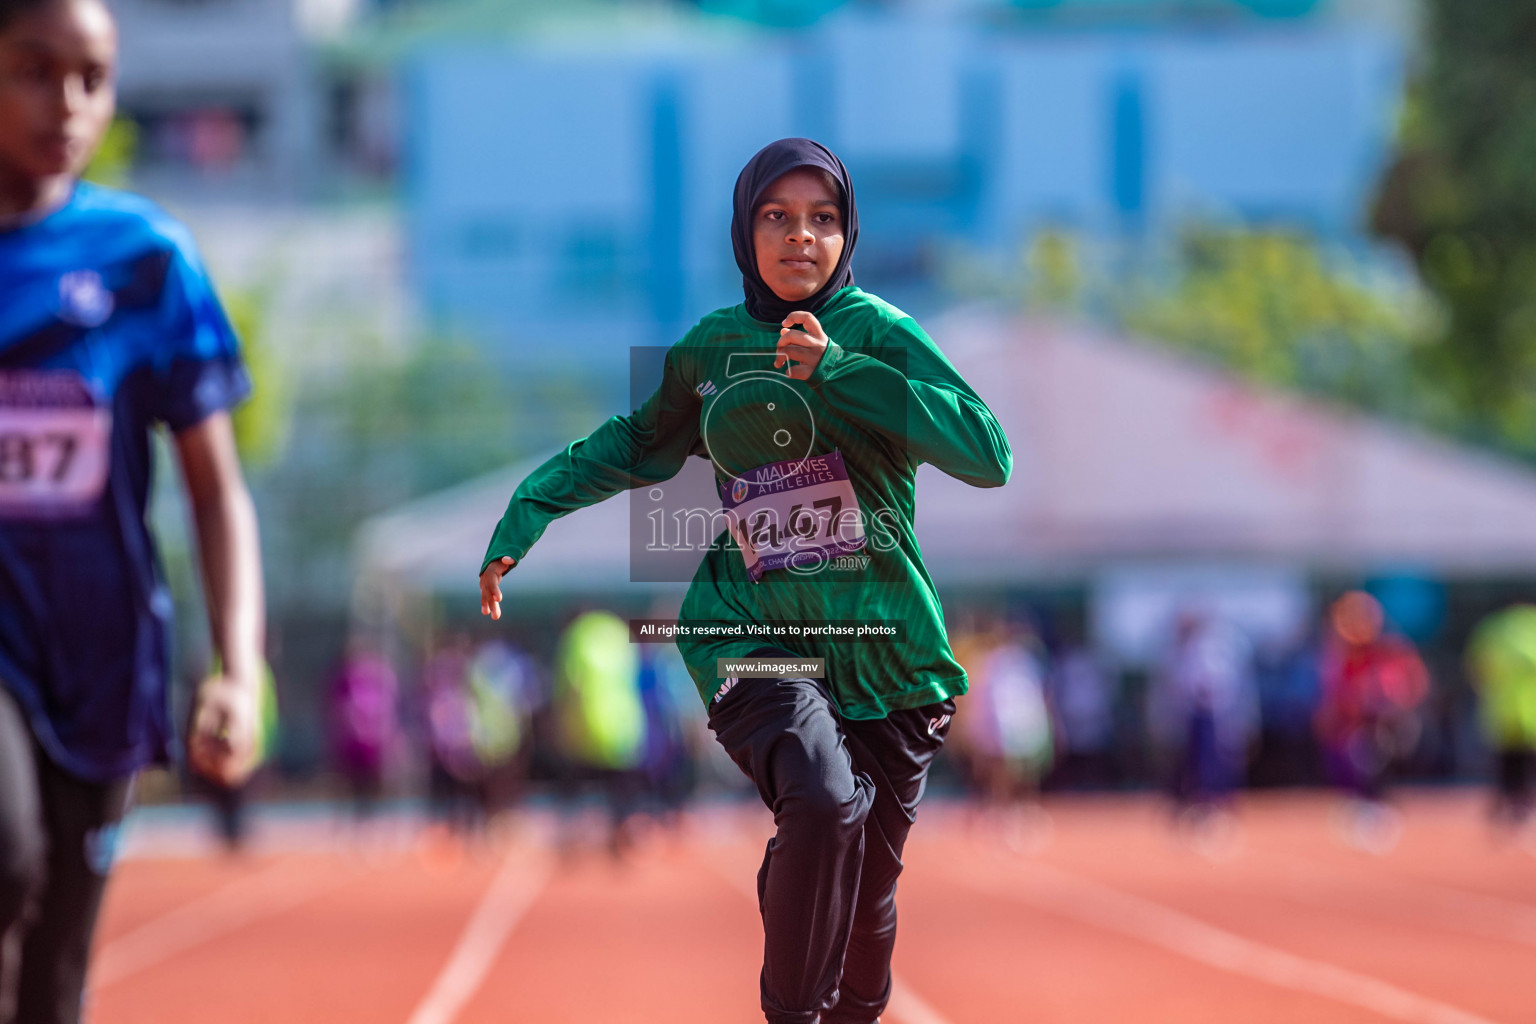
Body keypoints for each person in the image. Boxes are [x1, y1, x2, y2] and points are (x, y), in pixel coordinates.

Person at [479, 138, 1011, 1024]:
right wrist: (525, 515)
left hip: (884, 655)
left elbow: (986, 453)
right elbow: (631, 443)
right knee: (825, 797)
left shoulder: (880, 333)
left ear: (847, 234)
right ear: (743, 231)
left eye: (823, 219)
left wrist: (840, 370)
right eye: (777, 217)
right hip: (750, 635)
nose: (801, 238)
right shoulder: (712, 350)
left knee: (866, 921)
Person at [0, 0, 266, 1019]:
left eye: (91, 77)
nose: (66, 104)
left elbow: (215, 490)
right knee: (3, 853)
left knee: (56, 969)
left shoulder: (146, 259)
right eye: (32, 69)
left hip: (106, 659)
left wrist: (238, 666)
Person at [1466, 604, 1536, 834]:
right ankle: (1516, 808)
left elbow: (1476, 667)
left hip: (1505, 711)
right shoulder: (1527, 627)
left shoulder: (1493, 630)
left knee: (1510, 764)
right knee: (1518, 763)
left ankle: (1513, 807)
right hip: (1521, 712)